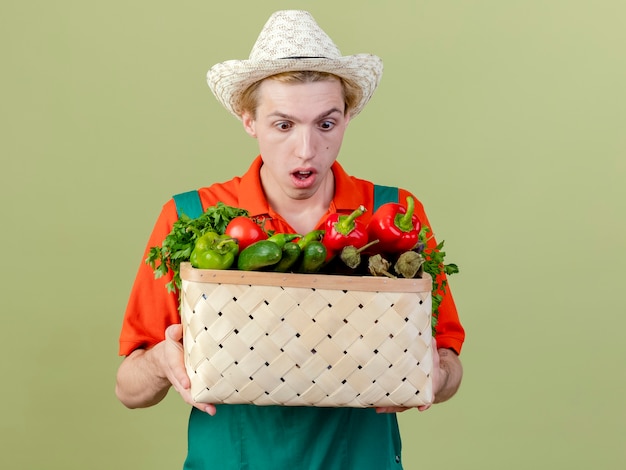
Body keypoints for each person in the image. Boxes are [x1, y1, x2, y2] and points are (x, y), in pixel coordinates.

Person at [116, 10, 465, 469]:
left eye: (326, 123)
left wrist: (433, 377)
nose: (306, 150)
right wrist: (163, 361)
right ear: (249, 121)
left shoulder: (394, 213)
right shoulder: (190, 217)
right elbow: (128, 389)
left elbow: (447, 359)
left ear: (346, 119)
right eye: (283, 125)